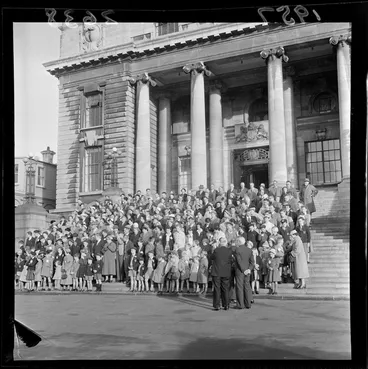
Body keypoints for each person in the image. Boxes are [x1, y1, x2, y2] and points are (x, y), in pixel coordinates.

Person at [210, 237, 233, 311]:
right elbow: (231, 260)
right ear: (225, 242)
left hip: (217, 272)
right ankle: (226, 304)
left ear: (220, 242)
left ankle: (217, 305)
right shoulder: (229, 251)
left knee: (217, 289)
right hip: (226, 272)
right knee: (225, 289)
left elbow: (211, 257)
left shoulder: (216, 250)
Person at [234, 239, 254, 309]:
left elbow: (239, 261)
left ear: (239, 242)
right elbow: (252, 262)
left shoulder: (237, 250)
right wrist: (249, 269)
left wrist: (243, 270)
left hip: (240, 271)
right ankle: (248, 304)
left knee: (239, 287)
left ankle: (240, 304)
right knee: (247, 286)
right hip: (247, 271)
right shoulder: (249, 250)